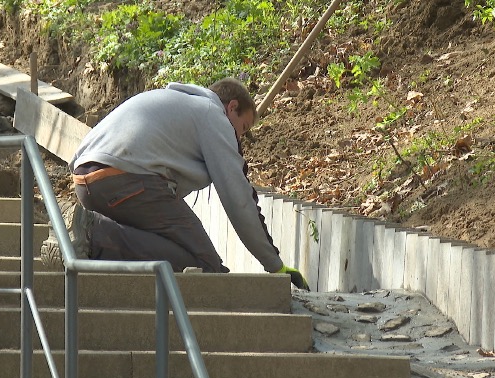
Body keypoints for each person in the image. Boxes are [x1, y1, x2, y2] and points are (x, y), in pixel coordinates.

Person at [40, 77, 309, 290]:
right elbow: (239, 199)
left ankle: (85, 232)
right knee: (205, 266)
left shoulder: (170, 102)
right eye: (243, 127)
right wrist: (274, 265)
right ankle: (94, 235)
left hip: (87, 181)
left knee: (169, 246)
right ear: (232, 107)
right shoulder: (212, 115)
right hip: (126, 180)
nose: (239, 138)